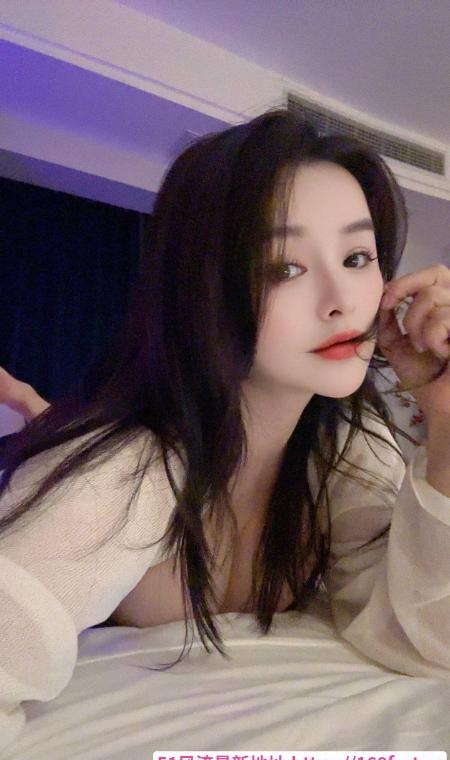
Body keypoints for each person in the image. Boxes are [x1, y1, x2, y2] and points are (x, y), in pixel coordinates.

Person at [0, 109, 449, 751]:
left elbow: (426, 638)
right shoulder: (125, 469)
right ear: (202, 289)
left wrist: (445, 420)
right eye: (283, 268)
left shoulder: (347, 447)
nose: (341, 300)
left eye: (357, 257)